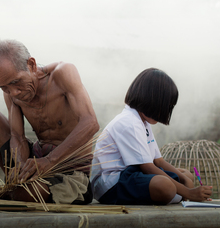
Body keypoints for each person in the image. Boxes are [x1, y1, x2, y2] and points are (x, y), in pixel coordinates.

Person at [0, 39, 99, 205]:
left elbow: (90, 123)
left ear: (31, 65)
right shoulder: (12, 93)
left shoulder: (63, 73)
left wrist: (49, 161)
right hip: (36, 162)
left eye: (15, 82)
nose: (13, 92)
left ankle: (15, 192)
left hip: (69, 171)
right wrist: (20, 167)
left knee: (27, 194)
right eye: (3, 87)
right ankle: (15, 185)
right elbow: (17, 136)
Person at [91, 68, 213, 205]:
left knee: (186, 175)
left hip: (132, 175)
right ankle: (172, 194)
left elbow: (159, 161)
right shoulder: (128, 122)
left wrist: (185, 182)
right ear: (151, 101)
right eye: (165, 106)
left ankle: (172, 193)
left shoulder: (143, 123)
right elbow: (148, 167)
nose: (166, 112)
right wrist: (188, 192)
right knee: (165, 186)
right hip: (112, 184)